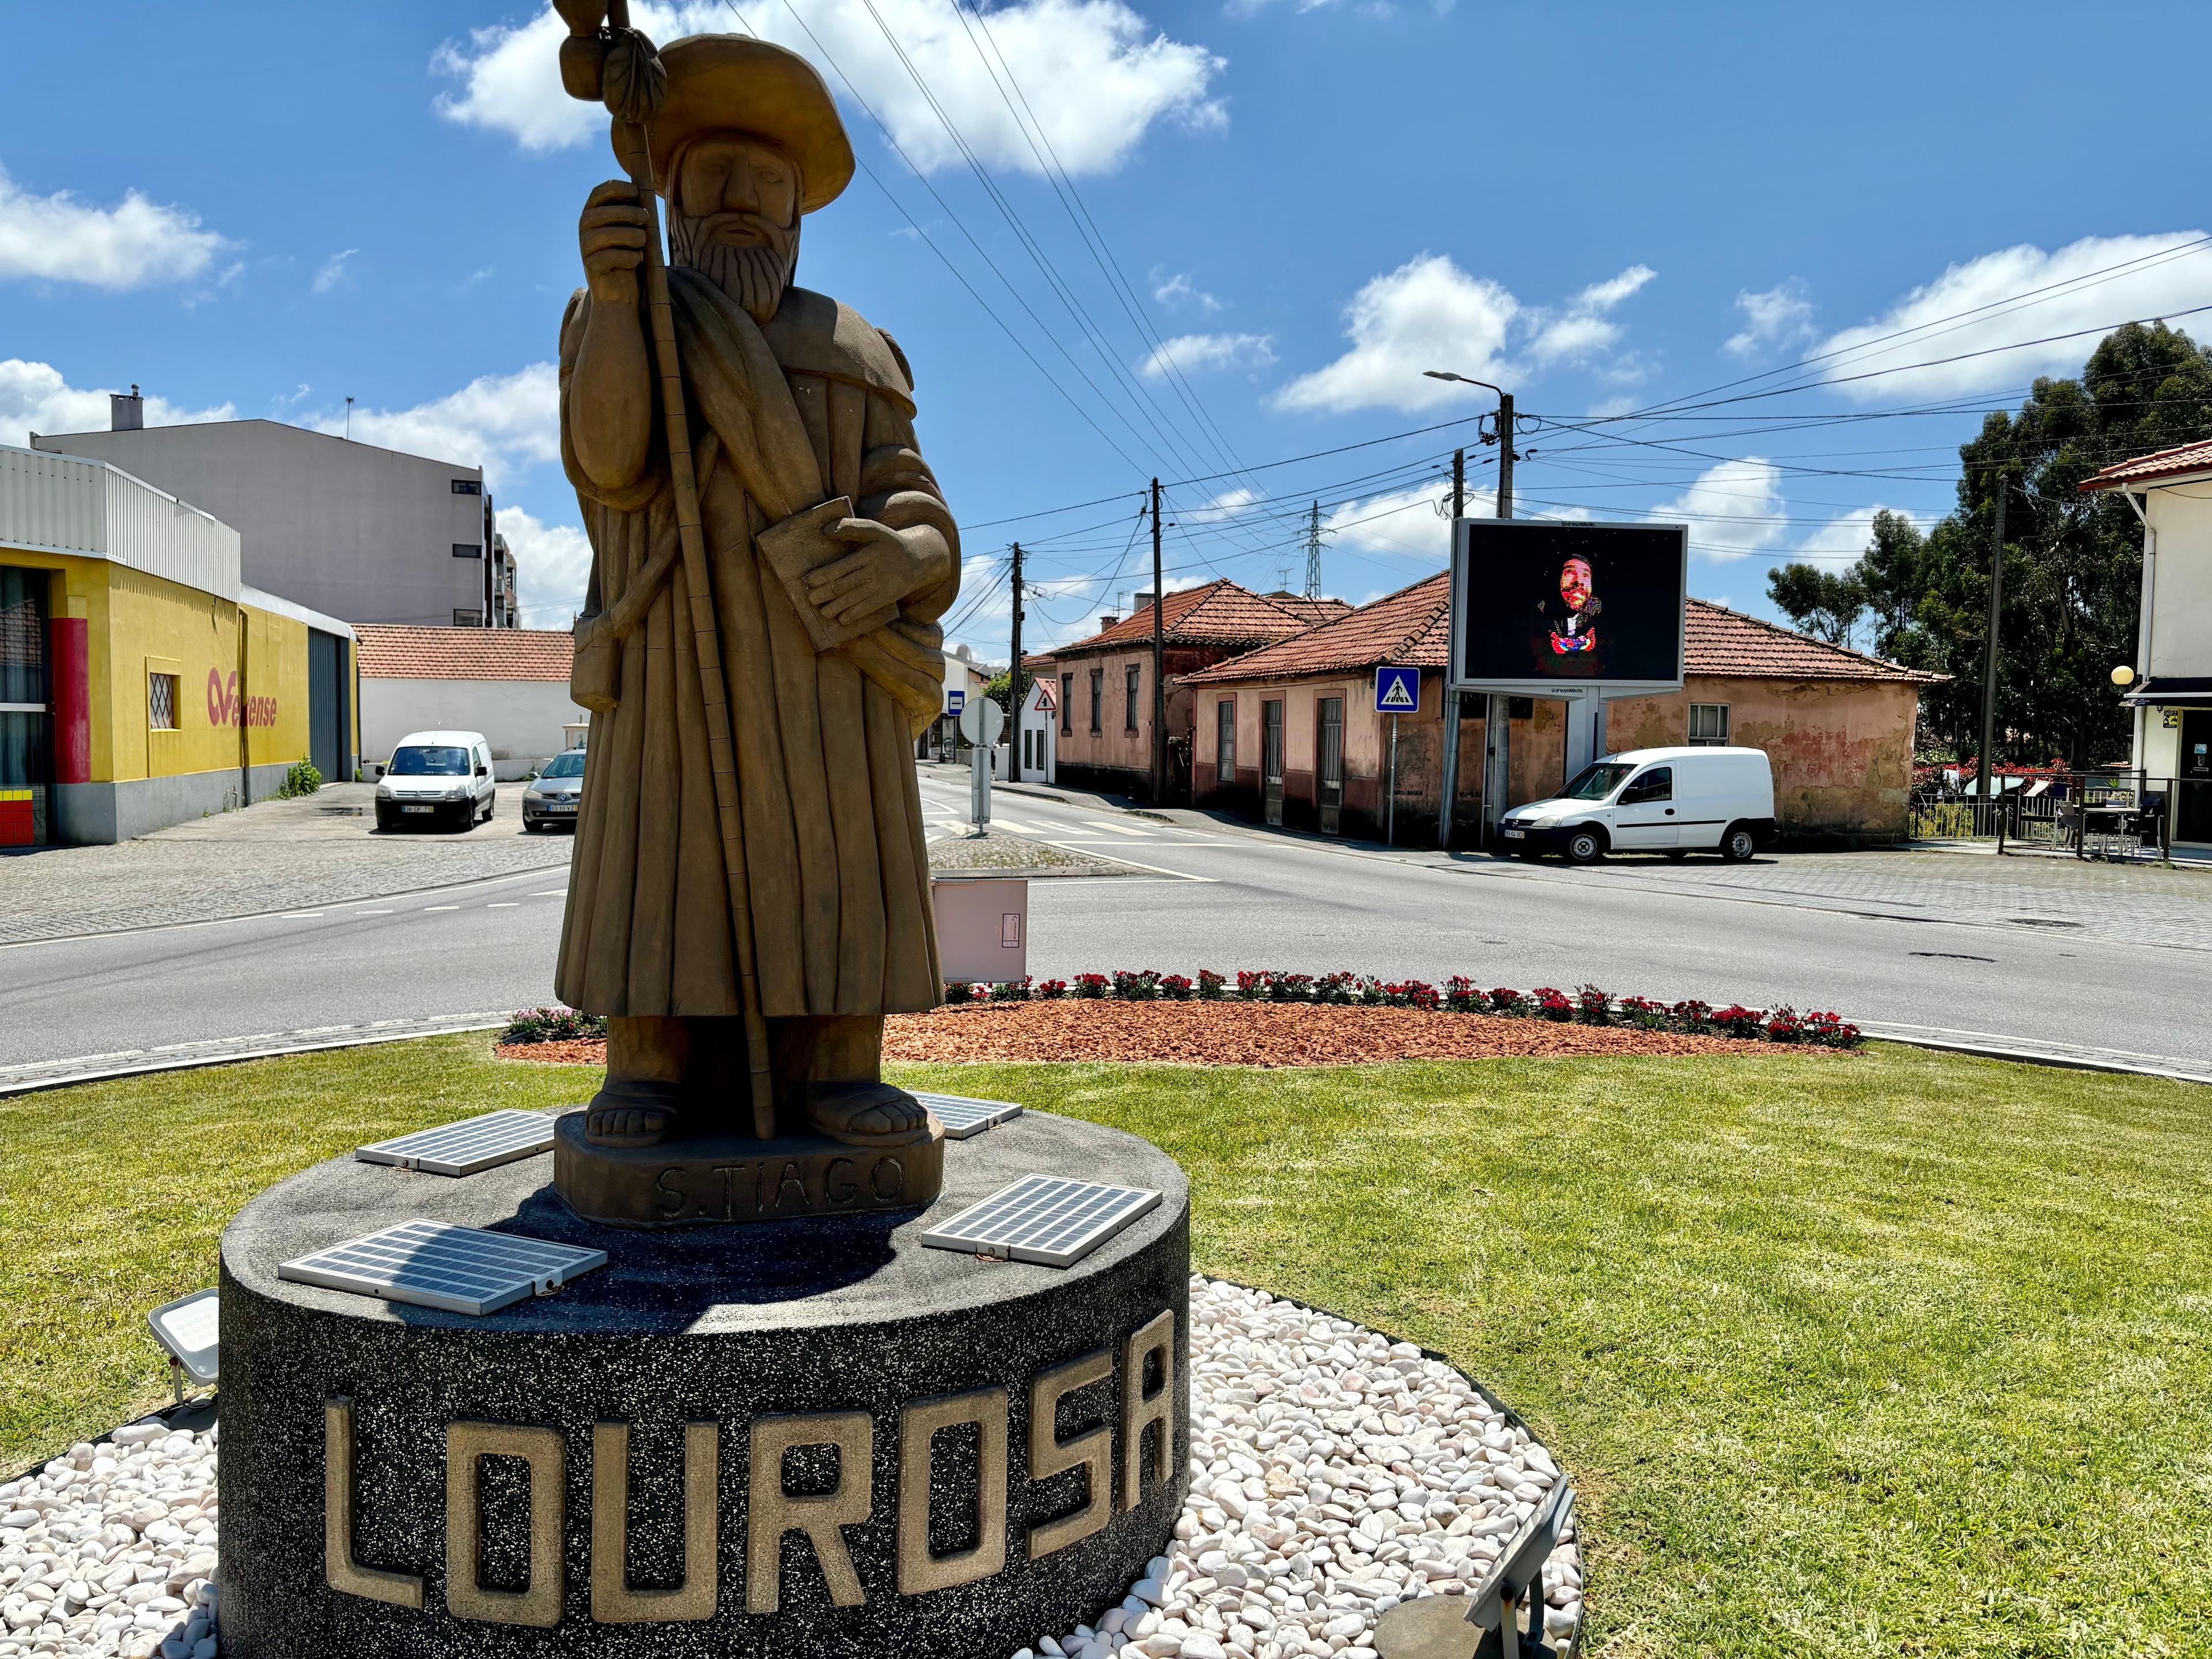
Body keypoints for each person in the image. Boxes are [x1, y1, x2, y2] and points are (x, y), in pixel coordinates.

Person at [556, 35, 956, 1152]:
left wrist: (906, 558)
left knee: (835, 858)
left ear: (797, 211)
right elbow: (612, 460)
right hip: (673, 649)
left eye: (764, 180)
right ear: (670, 193)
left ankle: (837, 1065)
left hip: (824, 660)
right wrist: (614, 296)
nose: (740, 198)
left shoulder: (856, 352)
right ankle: (647, 1069)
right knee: (659, 851)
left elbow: (915, 500)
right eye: (713, 175)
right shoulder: (621, 319)